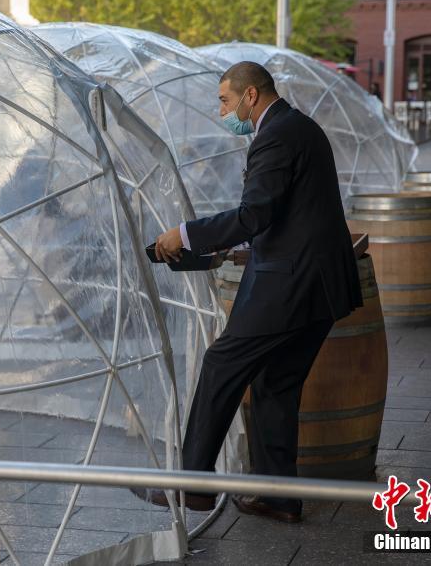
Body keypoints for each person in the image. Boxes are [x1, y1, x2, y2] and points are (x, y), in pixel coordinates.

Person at [147, 62, 362, 522]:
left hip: (291, 283)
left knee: (222, 362)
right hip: (319, 285)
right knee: (275, 384)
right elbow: (288, 213)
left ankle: (194, 487)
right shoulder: (296, 127)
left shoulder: (276, 134)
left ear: (250, 96)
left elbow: (255, 212)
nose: (221, 110)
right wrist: (240, 246)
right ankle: (278, 496)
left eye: (225, 100)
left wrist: (184, 234)